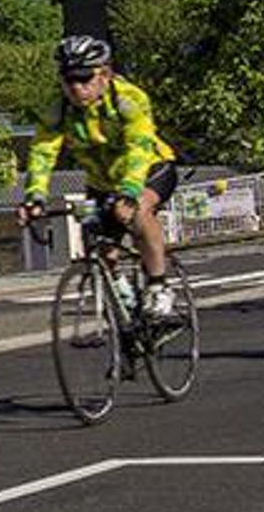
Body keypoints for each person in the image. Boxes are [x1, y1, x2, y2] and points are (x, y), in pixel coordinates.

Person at [20, 35, 180, 319]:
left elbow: (139, 145)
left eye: (84, 78)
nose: (76, 87)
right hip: (102, 182)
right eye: (69, 80)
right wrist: (35, 195)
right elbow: (43, 152)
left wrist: (130, 191)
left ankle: (158, 285)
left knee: (139, 211)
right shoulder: (59, 109)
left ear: (104, 74)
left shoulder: (128, 99)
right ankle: (124, 303)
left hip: (150, 169)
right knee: (101, 247)